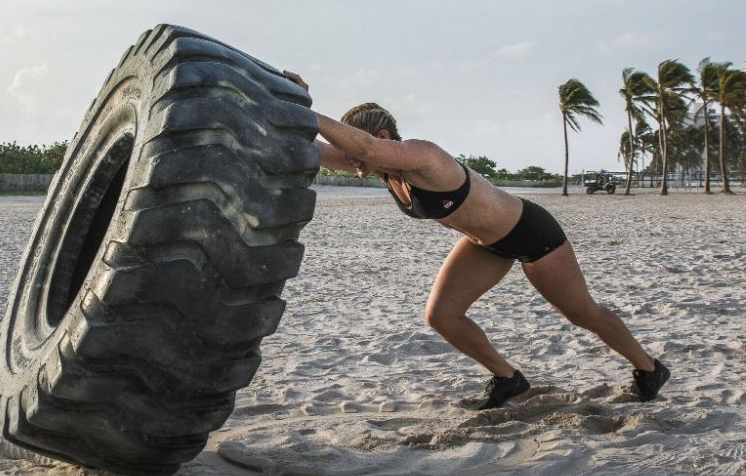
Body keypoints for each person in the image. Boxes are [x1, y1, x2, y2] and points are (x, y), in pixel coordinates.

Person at [281, 71, 670, 410]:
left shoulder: (423, 155)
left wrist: (311, 109)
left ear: (381, 137)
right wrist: (285, 102)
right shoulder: (378, 165)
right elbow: (315, 149)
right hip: (484, 243)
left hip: (532, 235)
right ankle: (508, 379)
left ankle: (650, 369)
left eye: (360, 157)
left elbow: (363, 149)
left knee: (582, 313)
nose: (358, 168)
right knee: (441, 316)